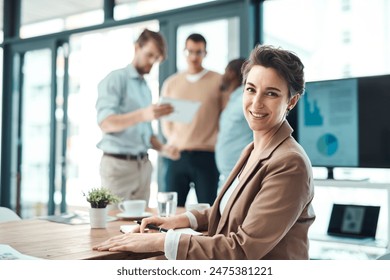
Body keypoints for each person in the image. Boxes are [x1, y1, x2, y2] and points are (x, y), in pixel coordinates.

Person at [93, 44, 316, 260]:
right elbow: (230, 211)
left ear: (291, 101)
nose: (256, 103)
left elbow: (241, 250)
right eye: (251, 89)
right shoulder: (254, 149)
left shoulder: (289, 163)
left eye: (271, 94)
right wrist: (181, 220)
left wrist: (159, 242)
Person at [95, 29, 179, 204]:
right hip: (118, 167)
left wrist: (163, 148)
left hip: (143, 166)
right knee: (113, 226)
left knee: (140, 226)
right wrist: (143, 114)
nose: (152, 62)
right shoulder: (116, 79)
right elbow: (106, 123)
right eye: (149, 55)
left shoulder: (145, 88)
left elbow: (145, 132)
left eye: (156, 59)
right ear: (136, 48)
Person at [160, 33, 223, 206]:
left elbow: (225, 117)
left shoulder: (218, 81)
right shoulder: (171, 83)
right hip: (177, 155)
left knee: (208, 210)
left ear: (205, 53)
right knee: (171, 210)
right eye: (190, 52)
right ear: (184, 52)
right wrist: (172, 140)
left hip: (207, 155)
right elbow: (165, 120)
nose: (194, 57)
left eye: (198, 52)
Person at [215, 58, 253, 190]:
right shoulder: (233, 100)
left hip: (242, 177)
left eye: (225, 72)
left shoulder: (245, 100)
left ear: (231, 73)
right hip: (228, 177)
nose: (222, 77)